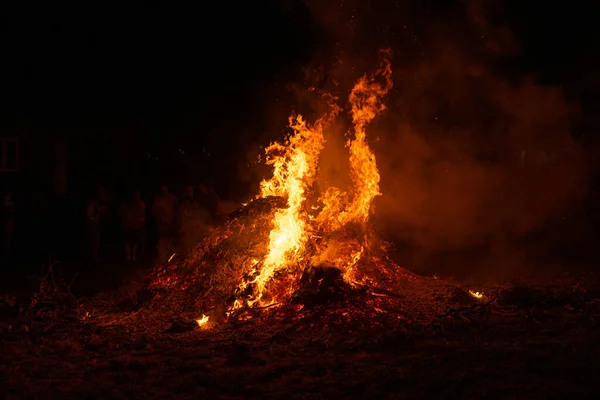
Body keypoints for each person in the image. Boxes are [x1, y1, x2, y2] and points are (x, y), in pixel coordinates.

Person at [152, 184, 178, 262]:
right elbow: (154, 211)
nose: (164, 191)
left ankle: (170, 258)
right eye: (162, 190)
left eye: (165, 189)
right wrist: (159, 218)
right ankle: (162, 258)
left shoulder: (172, 198)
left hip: (170, 223)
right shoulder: (158, 199)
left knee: (170, 240)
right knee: (162, 241)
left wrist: (173, 218)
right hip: (161, 224)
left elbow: (176, 209)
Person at [122, 190, 146, 261]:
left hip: (135, 225)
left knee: (134, 241)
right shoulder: (128, 205)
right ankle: (129, 255)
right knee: (129, 241)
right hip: (131, 225)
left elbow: (142, 214)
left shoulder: (141, 204)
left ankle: (133, 255)